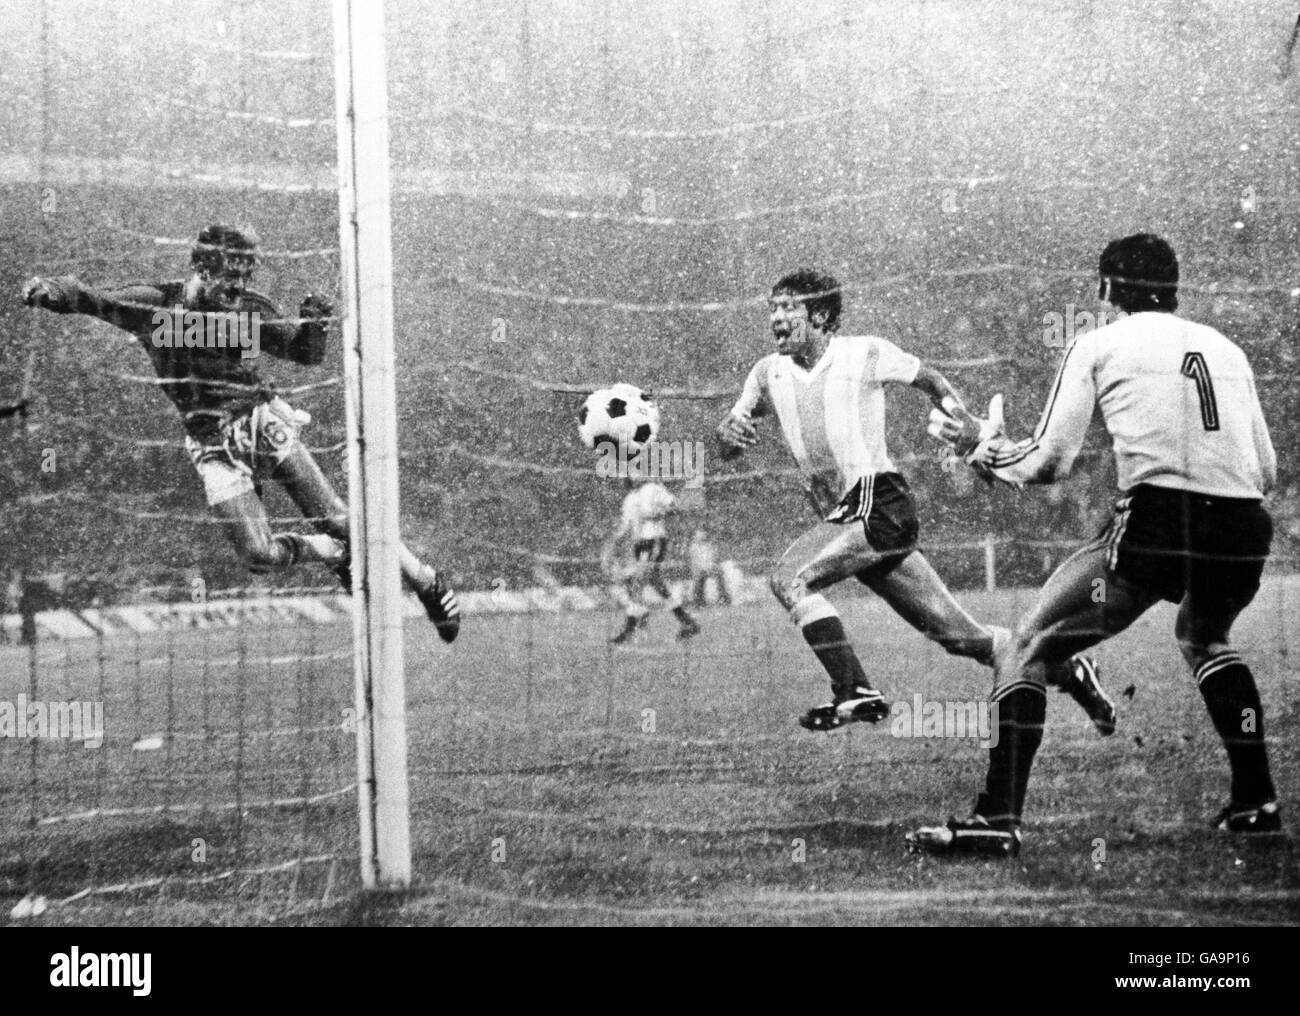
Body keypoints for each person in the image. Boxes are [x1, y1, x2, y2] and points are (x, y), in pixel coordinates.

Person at [912, 233, 1280, 857]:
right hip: (1244, 526)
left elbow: (1048, 463)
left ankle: (996, 817)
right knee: (1204, 636)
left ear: (1108, 290)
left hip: (1161, 520)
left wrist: (980, 445)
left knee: (1026, 645)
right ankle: (1256, 801)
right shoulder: (1227, 349)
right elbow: (1266, 469)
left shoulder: (1099, 344)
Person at [20, 224, 459, 641]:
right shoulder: (156, 306)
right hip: (211, 443)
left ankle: (425, 580)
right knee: (259, 557)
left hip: (260, 421)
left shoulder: (249, 309)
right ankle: (335, 555)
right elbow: (93, 299)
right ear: (203, 269)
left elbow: (303, 354)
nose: (238, 287)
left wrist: (314, 326)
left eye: (246, 276)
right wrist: (53, 291)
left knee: (338, 517)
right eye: (231, 277)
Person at [717, 269, 1109, 732]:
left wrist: (967, 430)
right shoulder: (766, 373)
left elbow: (930, 379)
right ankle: (1074, 673)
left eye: (788, 307)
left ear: (821, 315)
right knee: (964, 639)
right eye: (772, 308)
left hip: (876, 502)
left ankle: (853, 689)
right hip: (846, 518)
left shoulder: (863, 353)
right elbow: (729, 437)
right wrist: (727, 435)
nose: (776, 317)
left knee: (788, 577)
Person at [603, 479, 701, 644]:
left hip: (654, 540)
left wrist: (657, 514)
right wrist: (611, 546)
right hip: (641, 544)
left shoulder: (654, 488)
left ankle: (630, 629)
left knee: (638, 584)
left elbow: (675, 506)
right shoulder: (629, 500)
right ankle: (687, 622)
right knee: (655, 583)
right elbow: (625, 527)